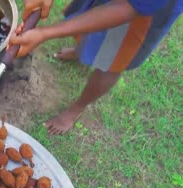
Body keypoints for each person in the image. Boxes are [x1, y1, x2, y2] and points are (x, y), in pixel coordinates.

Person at [10, 0, 183, 135]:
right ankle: (81, 51)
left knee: (112, 60)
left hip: (140, 10)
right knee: (89, 19)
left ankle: (77, 108)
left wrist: (44, 33)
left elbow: (128, 8)